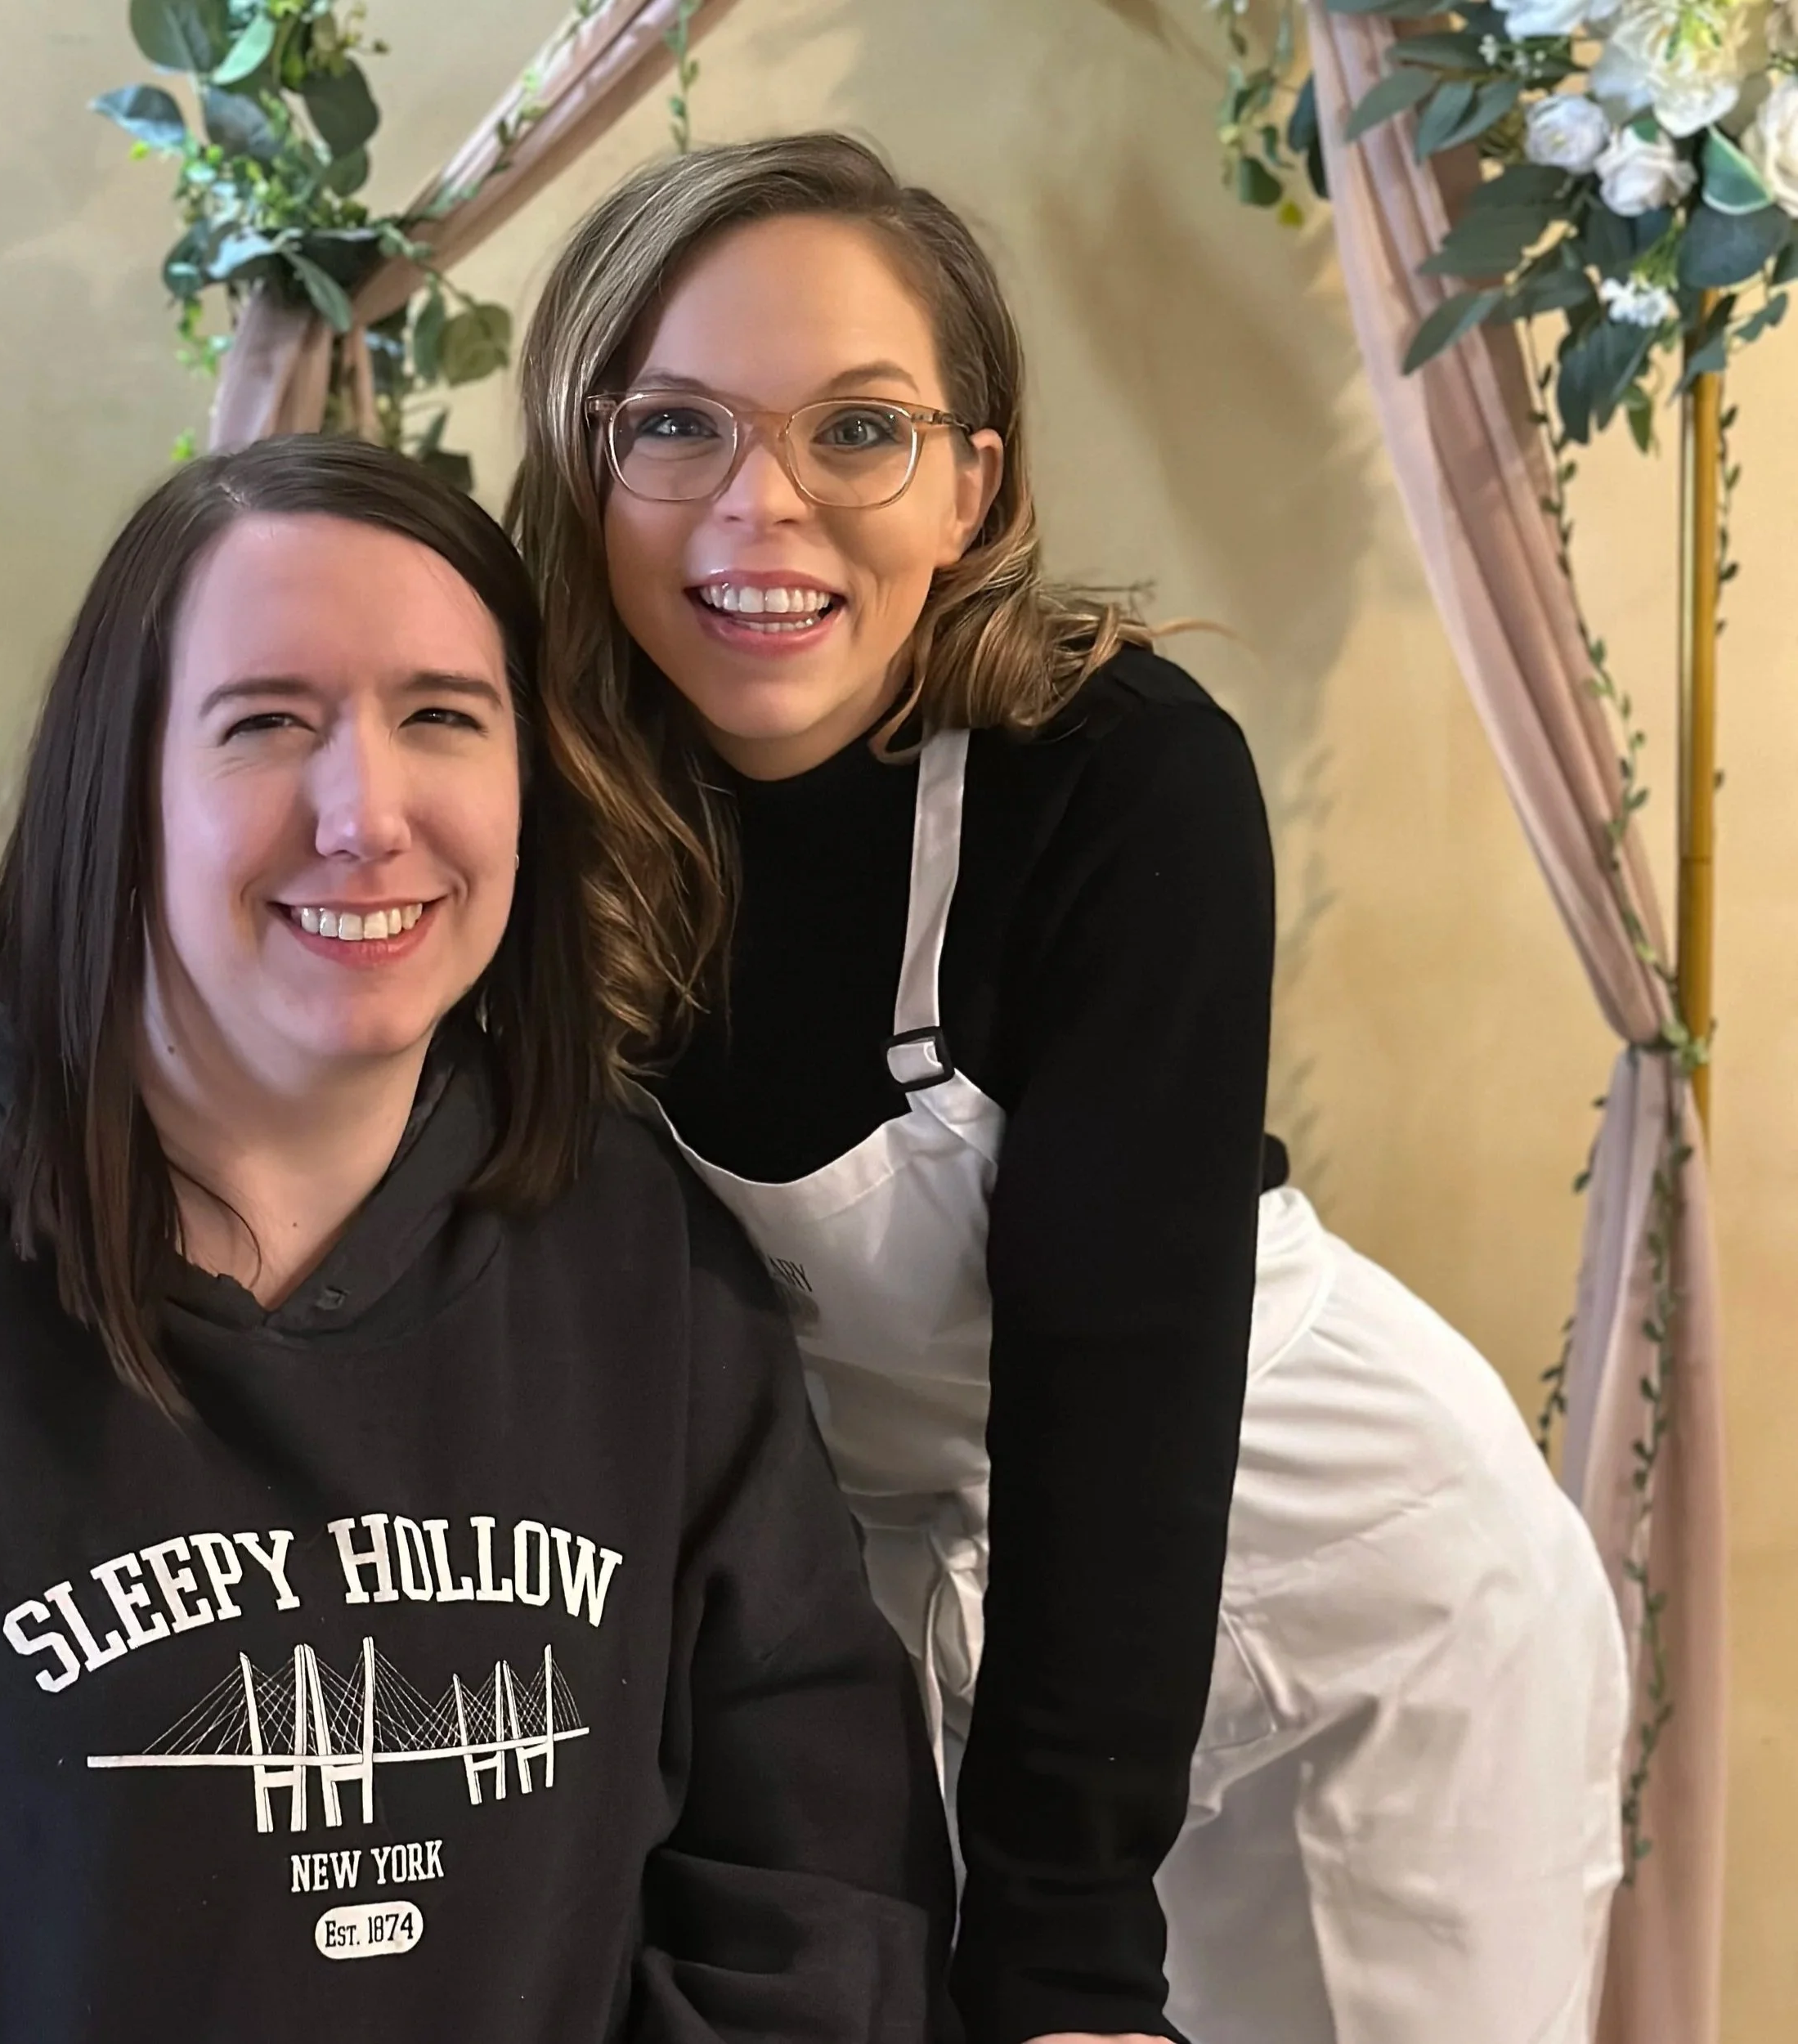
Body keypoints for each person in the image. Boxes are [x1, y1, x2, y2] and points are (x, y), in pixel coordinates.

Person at [508, 132, 1630, 2044]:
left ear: (970, 483)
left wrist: (1062, 1943)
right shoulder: (508, 789)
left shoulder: (1106, 776)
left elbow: (1114, 1391)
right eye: (675, 423)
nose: (756, 509)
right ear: (581, 457)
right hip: (877, 1626)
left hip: (1322, 1586)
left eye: (856, 431)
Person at [0, 436, 956, 2042]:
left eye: (442, 716)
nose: (367, 814)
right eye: (265, 723)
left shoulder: (644, 1265)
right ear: (118, 792)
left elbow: (817, 1879)